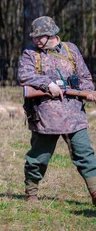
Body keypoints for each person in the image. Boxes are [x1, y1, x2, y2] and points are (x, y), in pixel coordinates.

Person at [18, 16, 96, 205]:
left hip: (74, 114)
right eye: (34, 37)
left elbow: (84, 75)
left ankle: (95, 193)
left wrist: (89, 91)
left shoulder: (71, 50)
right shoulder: (31, 54)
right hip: (46, 115)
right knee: (39, 157)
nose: (36, 40)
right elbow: (24, 75)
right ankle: (31, 193)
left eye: (40, 37)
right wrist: (47, 84)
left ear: (51, 34)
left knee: (85, 154)